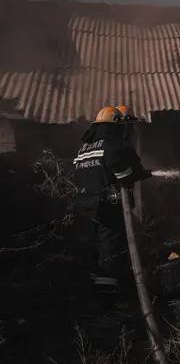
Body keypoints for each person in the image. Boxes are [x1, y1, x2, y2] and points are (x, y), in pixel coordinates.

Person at [73, 106, 150, 290]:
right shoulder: (111, 145)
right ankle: (109, 295)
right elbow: (123, 175)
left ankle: (93, 289)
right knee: (111, 252)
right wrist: (137, 174)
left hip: (84, 207)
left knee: (94, 251)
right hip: (107, 208)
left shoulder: (84, 148)